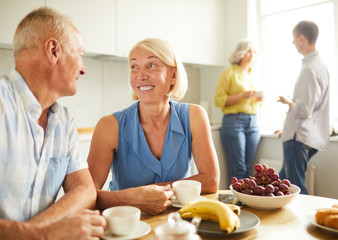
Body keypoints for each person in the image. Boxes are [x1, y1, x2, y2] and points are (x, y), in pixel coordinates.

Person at [0, 7, 106, 239]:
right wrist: (41, 235)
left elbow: (85, 190)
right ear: (53, 50)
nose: (83, 68)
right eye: (79, 53)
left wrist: (35, 232)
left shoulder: (64, 120)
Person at [87, 38, 220, 215]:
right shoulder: (109, 126)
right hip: (127, 223)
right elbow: (85, 195)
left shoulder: (194, 116)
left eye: (152, 65)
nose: (140, 75)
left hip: (178, 222)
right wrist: (133, 197)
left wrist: (153, 191)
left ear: (173, 75)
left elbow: (210, 180)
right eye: (134, 67)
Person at [277, 20, 329, 194]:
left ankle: (305, 221)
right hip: (302, 135)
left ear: (301, 38)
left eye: (294, 38)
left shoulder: (309, 69)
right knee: (280, 184)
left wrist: (288, 102)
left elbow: (304, 110)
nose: (293, 43)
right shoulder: (319, 66)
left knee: (295, 189)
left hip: (298, 137)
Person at [214, 40, 263, 181]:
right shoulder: (228, 73)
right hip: (234, 122)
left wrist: (258, 100)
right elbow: (218, 100)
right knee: (239, 169)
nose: (252, 55)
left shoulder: (254, 74)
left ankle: (245, 201)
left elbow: (253, 102)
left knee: (248, 168)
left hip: (253, 122)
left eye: (254, 52)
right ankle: (237, 203)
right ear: (240, 53)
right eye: (249, 51)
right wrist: (242, 95)